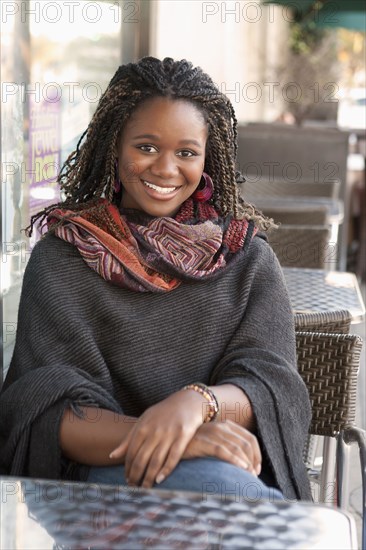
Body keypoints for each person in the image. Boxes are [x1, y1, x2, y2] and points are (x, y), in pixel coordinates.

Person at [0, 57, 311, 502]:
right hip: (96, 488)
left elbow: (272, 386)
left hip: (229, 474)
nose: (166, 169)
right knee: (223, 489)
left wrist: (197, 405)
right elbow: (45, 410)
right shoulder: (63, 255)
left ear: (207, 158)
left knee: (226, 487)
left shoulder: (244, 258)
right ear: (114, 145)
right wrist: (179, 440)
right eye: (146, 147)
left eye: (186, 152)